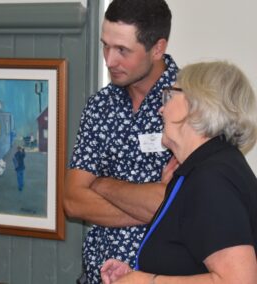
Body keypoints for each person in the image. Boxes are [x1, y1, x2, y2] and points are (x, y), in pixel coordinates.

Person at [100, 61, 257, 284]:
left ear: (198, 106)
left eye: (170, 95)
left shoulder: (213, 178)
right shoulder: (202, 169)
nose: (161, 108)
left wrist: (148, 282)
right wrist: (135, 275)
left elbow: (239, 281)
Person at [64, 0, 178, 282]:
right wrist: (153, 207)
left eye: (122, 50)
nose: (109, 60)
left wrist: (102, 184)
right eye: (105, 45)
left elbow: (182, 205)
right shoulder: (99, 106)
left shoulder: (190, 105)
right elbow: (73, 201)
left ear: (158, 48)